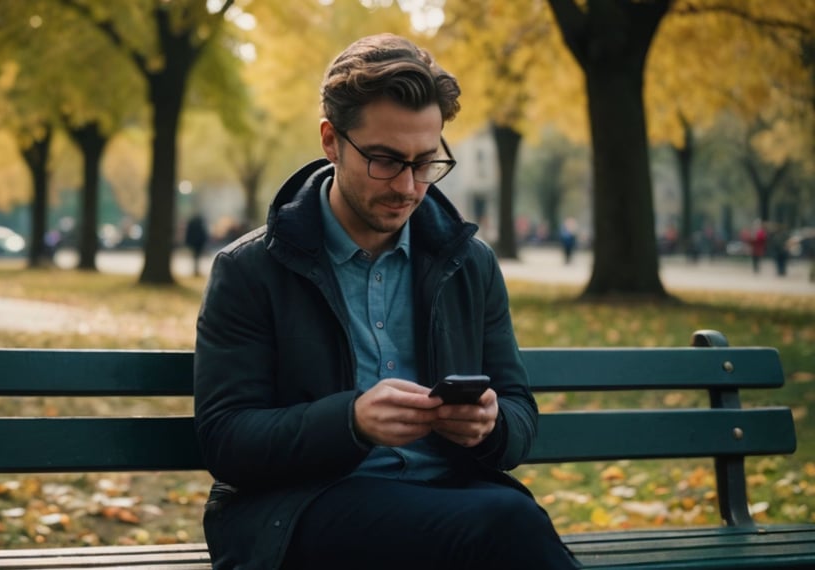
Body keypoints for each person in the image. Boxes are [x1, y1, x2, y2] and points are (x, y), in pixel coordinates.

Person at [194, 34, 579, 570]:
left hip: (449, 500)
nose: (408, 185)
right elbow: (226, 439)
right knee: (507, 526)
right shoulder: (251, 269)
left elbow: (517, 410)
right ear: (331, 140)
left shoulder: (470, 263)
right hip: (302, 510)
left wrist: (491, 425)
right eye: (385, 160)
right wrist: (351, 421)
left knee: (502, 526)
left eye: (426, 162)